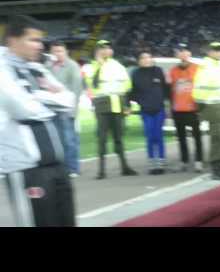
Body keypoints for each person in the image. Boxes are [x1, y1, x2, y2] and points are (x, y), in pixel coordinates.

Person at [0, 15, 76, 227]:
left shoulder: (36, 68)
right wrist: (48, 98)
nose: (40, 46)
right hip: (26, 168)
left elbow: (69, 100)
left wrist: (35, 96)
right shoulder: (2, 68)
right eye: (33, 40)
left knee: (66, 222)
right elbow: (21, 108)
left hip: (57, 164)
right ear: (13, 41)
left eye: (40, 40)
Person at [85, 40, 137, 179]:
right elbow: (93, 84)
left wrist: (126, 105)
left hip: (117, 103)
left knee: (119, 138)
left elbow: (126, 86)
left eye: (107, 48)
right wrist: (100, 66)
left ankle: (125, 167)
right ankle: (101, 171)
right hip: (102, 104)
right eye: (102, 48)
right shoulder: (91, 67)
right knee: (102, 139)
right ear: (97, 51)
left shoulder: (118, 66)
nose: (105, 51)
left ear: (111, 51)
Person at [193, 42, 220, 180]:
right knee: (218, 137)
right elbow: (199, 89)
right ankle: (215, 166)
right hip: (212, 107)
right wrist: (201, 108)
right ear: (210, 52)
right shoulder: (205, 67)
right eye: (217, 50)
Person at [47, 41, 83, 178]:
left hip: (66, 110)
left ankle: (73, 168)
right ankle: (60, 168)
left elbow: (76, 89)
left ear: (66, 52)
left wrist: (72, 110)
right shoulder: (47, 66)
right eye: (54, 51)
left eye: (60, 51)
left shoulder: (72, 66)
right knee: (55, 141)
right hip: (51, 109)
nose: (57, 54)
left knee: (69, 140)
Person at [129, 51, 168, 175]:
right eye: (143, 58)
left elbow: (165, 88)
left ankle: (161, 162)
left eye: (148, 57)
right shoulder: (135, 74)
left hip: (159, 108)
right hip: (145, 110)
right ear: (139, 61)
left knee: (158, 136)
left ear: (152, 59)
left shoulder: (158, 71)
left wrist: (164, 101)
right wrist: (139, 101)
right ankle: (152, 163)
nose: (146, 60)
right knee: (150, 136)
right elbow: (132, 91)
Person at [169, 43, 204, 173]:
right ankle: (184, 161)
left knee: (197, 137)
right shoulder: (173, 70)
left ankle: (199, 161)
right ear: (177, 54)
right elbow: (171, 91)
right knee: (181, 137)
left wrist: (201, 107)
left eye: (185, 51)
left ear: (189, 54)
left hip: (193, 108)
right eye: (180, 51)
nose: (183, 54)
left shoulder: (198, 68)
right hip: (178, 110)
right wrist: (172, 108)